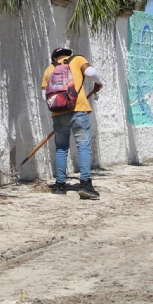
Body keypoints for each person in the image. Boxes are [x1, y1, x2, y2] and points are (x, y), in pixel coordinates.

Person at [42, 46, 102, 199]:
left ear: (54, 58)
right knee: (83, 145)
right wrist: (98, 83)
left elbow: (45, 96)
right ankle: (85, 184)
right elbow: (91, 73)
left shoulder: (49, 70)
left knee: (61, 148)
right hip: (77, 109)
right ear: (68, 54)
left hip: (58, 113)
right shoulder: (77, 60)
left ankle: (60, 185)